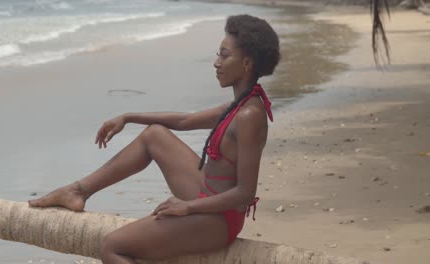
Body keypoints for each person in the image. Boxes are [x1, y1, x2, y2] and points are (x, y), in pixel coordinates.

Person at [28, 14, 280, 264]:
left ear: (247, 63)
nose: (216, 63)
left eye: (224, 55)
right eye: (218, 54)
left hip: (219, 218)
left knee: (111, 247)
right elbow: (184, 121)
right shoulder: (239, 105)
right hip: (207, 195)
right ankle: (77, 191)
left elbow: (245, 194)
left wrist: (187, 207)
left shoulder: (249, 115)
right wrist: (128, 117)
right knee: (155, 134)